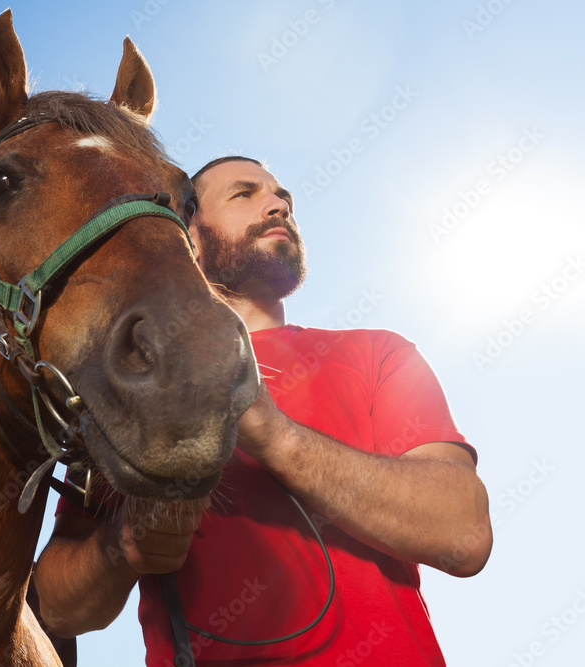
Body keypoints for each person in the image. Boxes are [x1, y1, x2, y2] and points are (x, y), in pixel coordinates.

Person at [33, 156, 492, 666]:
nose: (278, 206)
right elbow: (55, 609)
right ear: (189, 236)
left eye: (283, 199)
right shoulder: (124, 381)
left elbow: (465, 535)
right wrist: (119, 550)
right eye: (245, 193)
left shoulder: (381, 352)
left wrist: (277, 438)